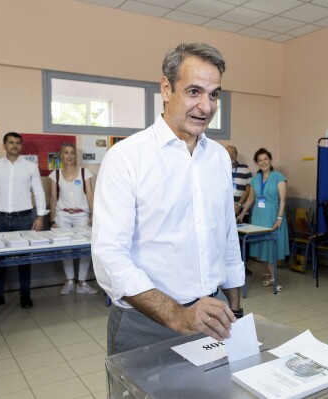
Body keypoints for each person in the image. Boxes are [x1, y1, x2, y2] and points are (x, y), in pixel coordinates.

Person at [92, 42, 244, 355]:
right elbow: (110, 258)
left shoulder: (218, 158)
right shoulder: (126, 158)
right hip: (146, 323)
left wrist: (236, 310)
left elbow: (227, 240)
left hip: (213, 315)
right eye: (194, 92)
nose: (206, 107)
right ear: (166, 88)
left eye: (213, 94)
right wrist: (178, 315)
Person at [0, 132, 47, 308]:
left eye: (18, 143)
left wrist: (40, 217)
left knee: (24, 260)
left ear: (20, 146)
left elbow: (39, 192)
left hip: (24, 218)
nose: (14, 145)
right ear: (4, 145)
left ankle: (25, 295)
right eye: (11, 142)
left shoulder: (30, 166)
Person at [48, 143, 98, 295]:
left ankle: (82, 282)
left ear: (76, 156)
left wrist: (94, 214)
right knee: (66, 248)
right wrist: (52, 220)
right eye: (66, 153)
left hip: (81, 214)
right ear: (61, 155)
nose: (69, 156)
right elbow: (53, 198)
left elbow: (90, 194)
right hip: (62, 215)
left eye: (72, 153)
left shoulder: (84, 173)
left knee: (84, 248)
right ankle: (70, 280)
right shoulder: (54, 174)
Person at [237, 148, 289, 291]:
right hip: (258, 217)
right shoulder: (255, 179)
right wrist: (243, 213)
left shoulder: (278, 177)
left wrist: (279, 218)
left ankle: (273, 278)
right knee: (264, 248)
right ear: (257, 163)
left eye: (265, 159)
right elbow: (251, 199)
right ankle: (268, 275)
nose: (263, 162)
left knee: (271, 248)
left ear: (270, 160)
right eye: (260, 160)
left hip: (273, 216)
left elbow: (283, 200)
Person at [226, 145, 253, 275]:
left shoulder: (244, 169)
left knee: (242, 239)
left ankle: (244, 266)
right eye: (228, 152)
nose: (230, 155)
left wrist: (239, 205)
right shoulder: (219, 167)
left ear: (236, 154)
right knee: (226, 240)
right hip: (224, 213)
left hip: (241, 212)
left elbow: (248, 189)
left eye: (233, 153)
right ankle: (227, 268)